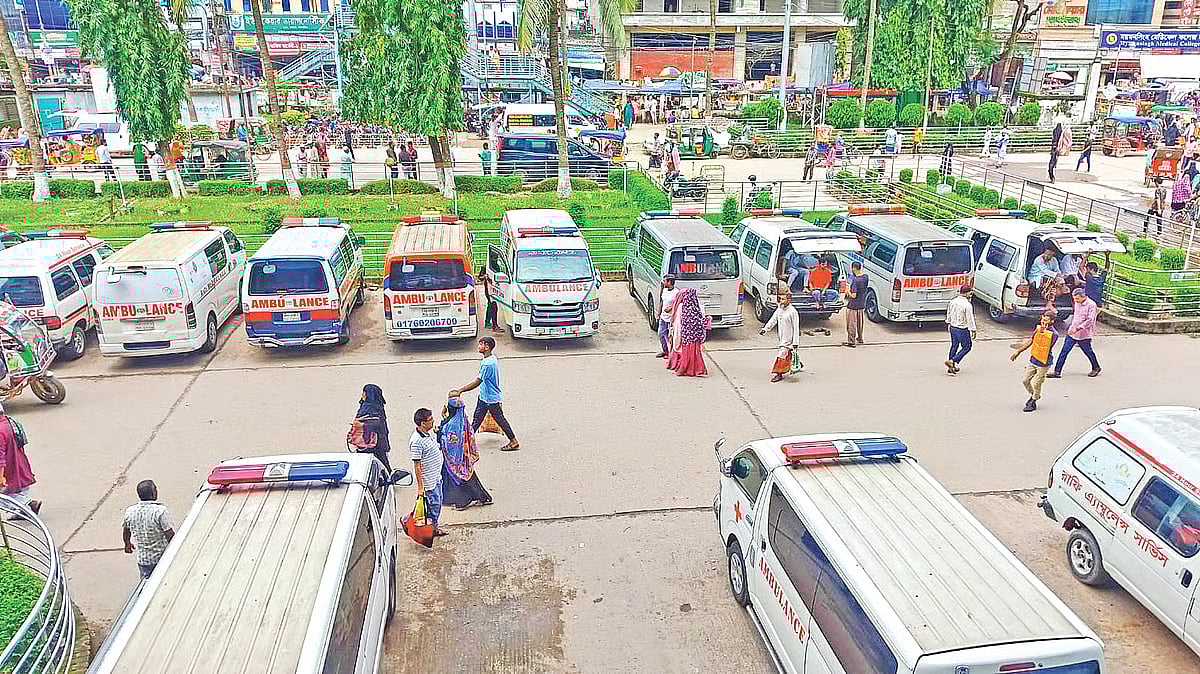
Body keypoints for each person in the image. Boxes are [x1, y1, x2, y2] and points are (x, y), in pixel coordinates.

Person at [451, 336, 520, 451]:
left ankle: (513, 441)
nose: (478, 346)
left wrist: (460, 390)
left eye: (480, 344)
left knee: (498, 420)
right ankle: (466, 441)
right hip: (485, 396)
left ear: (486, 347)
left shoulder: (487, 364)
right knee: (477, 419)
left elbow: (478, 381)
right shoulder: (491, 359)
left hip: (489, 399)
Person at [439, 397, 492, 511]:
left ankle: (463, 501)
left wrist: (439, 431)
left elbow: (449, 441)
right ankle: (483, 497)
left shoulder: (452, 424)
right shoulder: (463, 419)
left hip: (455, 457)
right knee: (468, 475)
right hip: (465, 454)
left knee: (459, 478)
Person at [122, 480, 175, 578]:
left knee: (145, 586)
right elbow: (169, 534)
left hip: (143, 560)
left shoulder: (130, 511)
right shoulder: (160, 511)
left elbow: (126, 530)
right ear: (153, 493)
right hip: (162, 558)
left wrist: (127, 544)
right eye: (155, 489)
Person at [1010, 310, 1059, 412]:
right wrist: (1018, 352)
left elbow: (1046, 345)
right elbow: (1031, 341)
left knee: (1037, 383)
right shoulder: (1038, 329)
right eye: (1042, 319)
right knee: (1025, 380)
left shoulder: (1054, 334)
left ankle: (1033, 401)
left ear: (1052, 321)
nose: (1043, 322)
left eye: (1046, 321)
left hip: (1044, 363)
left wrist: (1043, 332)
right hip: (1034, 359)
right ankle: (1035, 396)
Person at [409, 408, 447, 537]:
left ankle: (432, 527)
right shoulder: (416, 442)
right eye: (430, 420)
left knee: (437, 504)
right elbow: (417, 465)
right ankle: (431, 530)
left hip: (436, 478)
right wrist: (421, 487)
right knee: (433, 507)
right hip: (429, 482)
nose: (433, 421)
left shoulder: (427, 435)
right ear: (422, 423)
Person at [1048, 288, 1101, 379]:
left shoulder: (1091, 305)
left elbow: (1090, 320)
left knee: (1088, 351)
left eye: (1077, 299)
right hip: (1072, 332)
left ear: (1083, 297)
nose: (1075, 301)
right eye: (1074, 299)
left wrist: (1078, 328)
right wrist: (1072, 327)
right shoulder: (1077, 303)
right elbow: (1076, 316)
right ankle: (1057, 371)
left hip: (1084, 333)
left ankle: (1096, 367)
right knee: (1064, 351)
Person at [0, 404, 38, 517]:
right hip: (20, 461)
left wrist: (1, 476)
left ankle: (26, 504)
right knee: (21, 489)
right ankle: (24, 510)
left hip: (9, 466)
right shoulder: (10, 422)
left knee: (3, 497)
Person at [666, 287, 708, 377]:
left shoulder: (682, 307)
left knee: (687, 355)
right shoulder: (696, 307)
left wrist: (675, 338)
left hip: (687, 337)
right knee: (696, 354)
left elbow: (678, 324)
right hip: (696, 337)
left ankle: (687, 369)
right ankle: (698, 369)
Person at [761, 290, 800, 383]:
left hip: (789, 340)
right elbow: (773, 320)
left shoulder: (793, 312)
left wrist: (795, 342)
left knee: (781, 355)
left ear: (789, 300)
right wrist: (765, 329)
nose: (781, 301)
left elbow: (796, 328)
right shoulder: (779, 309)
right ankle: (797, 364)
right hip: (782, 337)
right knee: (790, 353)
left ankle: (778, 374)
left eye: (783, 299)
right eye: (780, 299)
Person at [355, 384, 391, 470]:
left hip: (366, 444)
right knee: (383, 467)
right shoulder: (378, 407)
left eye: (364, 392)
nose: (362, 395)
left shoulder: (367, 408)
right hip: (378, 444)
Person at [944, 284, 976, 374]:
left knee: (954, 346)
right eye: (970, 292)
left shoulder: (953, 301)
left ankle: (951, 367)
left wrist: (949, 322)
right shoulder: (967, 305)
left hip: (953, 327)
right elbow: (970, 318)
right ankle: (952, 361)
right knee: (967, 347)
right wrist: (973, 329)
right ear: (967, 293)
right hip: (962, 329)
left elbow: (949, 313)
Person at [844, 261, 868, 347]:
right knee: (860, 323)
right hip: (861, 304)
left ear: (854, 268)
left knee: (851, 324)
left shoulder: (855, 280)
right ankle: (860, 338)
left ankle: (851, 341)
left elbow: (853, 295)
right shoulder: (865, 277)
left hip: (853, 305)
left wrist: (847, 291)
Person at [656, 274, 678, 358]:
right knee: (661, 334)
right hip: (663, 317)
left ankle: (672, 353)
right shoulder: (664, 291)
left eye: (665, 281)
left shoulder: (676, 292)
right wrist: (659, 313)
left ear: (669, 282)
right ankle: (665, 351)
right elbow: (662, 302)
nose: (663, 282)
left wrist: (671, 308)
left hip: (671, 319)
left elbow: (679, 304)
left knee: (672, 337)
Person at [481, 269, 500, 333]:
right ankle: (494, 325)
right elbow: (480, 277)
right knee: (493, 307)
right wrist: (485, 277)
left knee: (490, 307)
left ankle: (488, 323)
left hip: (495, 290)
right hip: (489, 291)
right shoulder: (486, 268)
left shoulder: (497, 266)